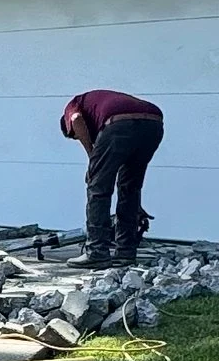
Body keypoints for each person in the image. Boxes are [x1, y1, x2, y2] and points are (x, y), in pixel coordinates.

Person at [60, 86, 164, 266]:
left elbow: (76, 120)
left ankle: (96, 252)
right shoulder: (97, 104)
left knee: (98, 187)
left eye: (75, 137)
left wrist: (92, 158)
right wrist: (135, 205)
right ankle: (126, 252)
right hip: (153, 123)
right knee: (130, 188)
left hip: (119, 124)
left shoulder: (73, 105)